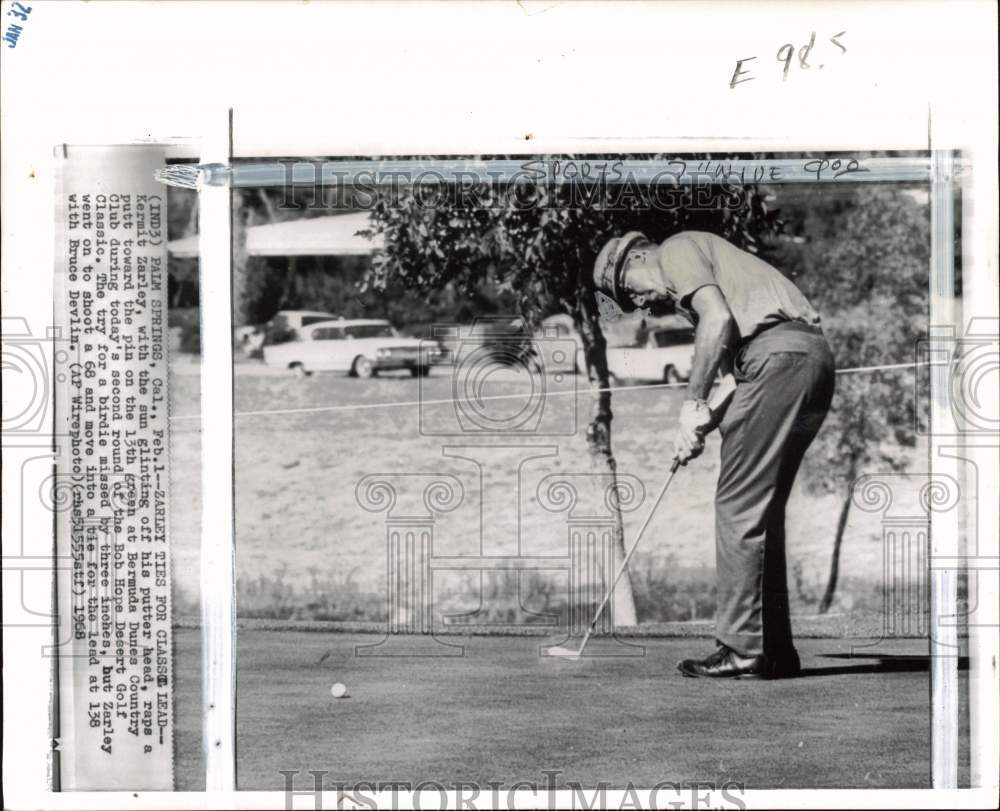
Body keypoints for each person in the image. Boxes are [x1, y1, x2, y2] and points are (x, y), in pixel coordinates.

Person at [593, 230, 835, 679]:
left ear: (639, 256)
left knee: (738, 506)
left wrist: (690, 404)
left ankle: (742, 649)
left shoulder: (677, 251)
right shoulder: (709, 274)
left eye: (631, 291)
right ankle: (774, 652)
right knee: (761, 512)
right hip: (808, 362)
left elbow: (718, 320)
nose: (642, 304)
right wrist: (699, 424)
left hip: (777, 360)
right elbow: (727, 382)